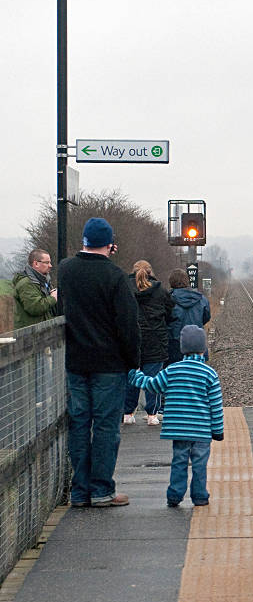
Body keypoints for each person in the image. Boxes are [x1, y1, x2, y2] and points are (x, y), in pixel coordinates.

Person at [57, 217, 140, 507]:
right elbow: (128, 324)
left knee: (79, 425)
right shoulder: (115, 276)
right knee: (105, 427)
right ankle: (102, 490)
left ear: (83, 241)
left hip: (75, 361)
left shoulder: (65, 271)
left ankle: (79, 492)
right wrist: (133, 361)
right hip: (109, 364)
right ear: (111, 244)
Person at [130, 325, 223, 508]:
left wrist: (135, 376)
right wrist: (217, 431)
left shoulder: (172, 370)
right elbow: (216, 406)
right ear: (203, 349)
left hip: (179, 430)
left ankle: (174, 496)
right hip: (202, 432)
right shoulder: (209, 374)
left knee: (179, 462)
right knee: (199, 465)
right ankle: (200, 496)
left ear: (182, 348)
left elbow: (153, 385)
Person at [124, 260, 175, 426]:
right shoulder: (160, 290)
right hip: (156, 340)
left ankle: (128, 413)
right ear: (150, 271)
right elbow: (170, 312)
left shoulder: (124, 288)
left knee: (132, 377)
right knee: (153, 379)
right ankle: (152, 414)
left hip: (131, 340)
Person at [167, 268, 211, 364]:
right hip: (197, 346)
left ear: (171, 282)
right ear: (187, 281)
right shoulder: (201, 299)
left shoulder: (167, 299)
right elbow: (206, 317)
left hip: (174, 347)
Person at [12, 248, 58, 329]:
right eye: (47, 262)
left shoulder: (45, 281)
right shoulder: (26, 284)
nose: (50, 266)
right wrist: (53, 298)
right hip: (28, 336)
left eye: (50, 262)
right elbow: (35, 307)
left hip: (42, 332)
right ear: (36, 263)